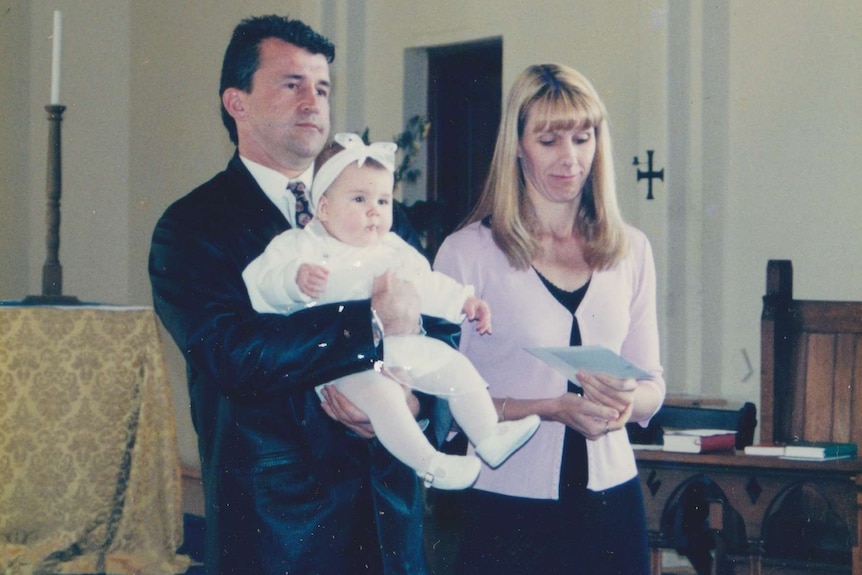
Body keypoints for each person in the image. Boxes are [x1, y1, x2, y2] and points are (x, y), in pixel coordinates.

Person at [149, 15, 456, 575]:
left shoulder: (381, 216)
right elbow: (233, 354)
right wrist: (365, 326)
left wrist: (415, 405)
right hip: (279, 531)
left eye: (322, 88)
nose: (313, 102)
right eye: (291, 84)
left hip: (390, 524)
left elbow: (440, 330)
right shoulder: (193, 227)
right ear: (236, 103)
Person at [433, 63, 666, 574]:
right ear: (516, 146)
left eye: (583, 139)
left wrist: (627, 403)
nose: (570, 159)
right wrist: (549, 407)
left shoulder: (631, 250)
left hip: (612, 503)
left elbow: (652, 385)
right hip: (507, 505)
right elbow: (443, 403)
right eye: (549, 140)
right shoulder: (467, 254)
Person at [242, 132, 541, 490]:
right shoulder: (301, 246)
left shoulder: (391, 248)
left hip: (396, 351)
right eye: (359, 199)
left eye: (383, 201)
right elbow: (257, 284)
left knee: (453, 364)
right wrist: (293, 282)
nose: (375, 211)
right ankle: (430, 465)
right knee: (382, 394)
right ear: (323, 208)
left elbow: (424, 282)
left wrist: (463, 301)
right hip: (339, 363)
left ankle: (488, 435)